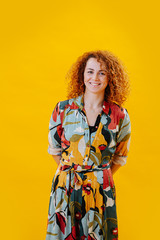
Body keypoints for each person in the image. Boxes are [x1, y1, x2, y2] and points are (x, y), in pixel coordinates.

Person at [45, 50, 131, 240]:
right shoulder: (62, 109)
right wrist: (72, 173)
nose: (95, 78)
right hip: (65, 187)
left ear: (110, 78)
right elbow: (54, 149)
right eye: (90, 71)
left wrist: (97, 174)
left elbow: (120, 157)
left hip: (101, 190)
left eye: (102, 73)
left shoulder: (120, 115)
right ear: (82, 75)